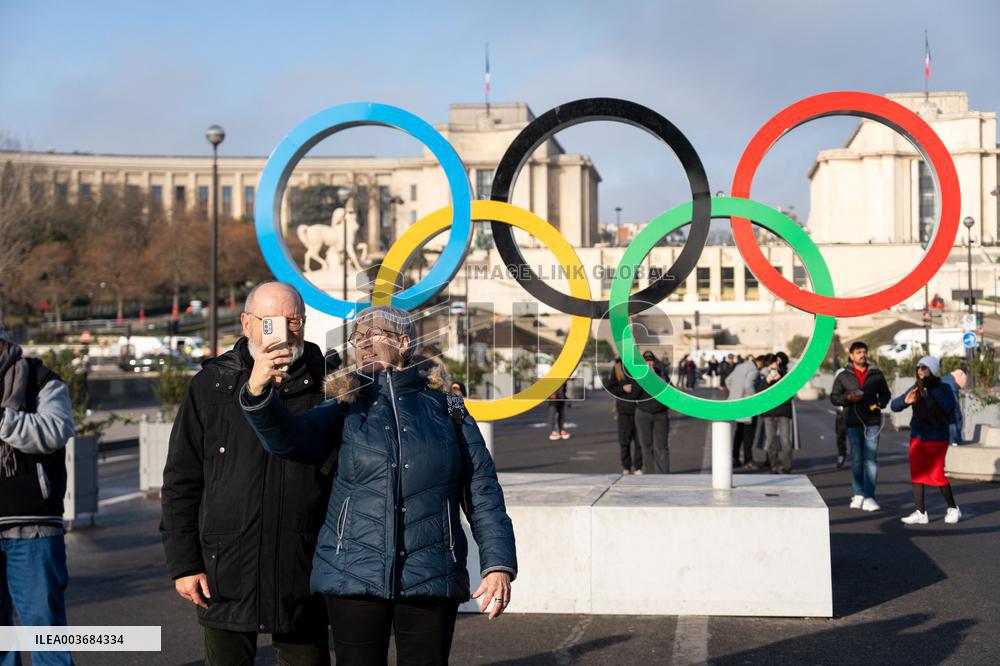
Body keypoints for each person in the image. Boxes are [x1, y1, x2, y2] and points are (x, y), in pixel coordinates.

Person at [240, 304, 517, 665]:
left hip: (432, 571)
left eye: (376, 334)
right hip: (352, 573)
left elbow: (482, 489)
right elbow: (288, 440)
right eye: (358, 337)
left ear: (404, 343)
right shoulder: (343, 405)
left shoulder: (448, 406)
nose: (364, 343)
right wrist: (258, 394)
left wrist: (498, 564)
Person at [160, 282, 333, 666]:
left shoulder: (330, 384)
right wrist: (185, 564)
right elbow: (181, 481)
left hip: (304, 567)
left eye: (292, 321)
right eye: (270, 322)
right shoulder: (212, 386)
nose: (284, 333)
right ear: (246, 324)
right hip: (225, 568)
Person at [0, 322, 76, 666]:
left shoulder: (40, 379)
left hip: (34, 527)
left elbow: (56, 430)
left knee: (45, 631)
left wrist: (2, 419)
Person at [891, 356, 962, 525]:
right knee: (917, 474)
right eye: (918, 367)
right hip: (918, 436)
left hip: (937, 437)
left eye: (924, 368)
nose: (920, 371)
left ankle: (953, 509)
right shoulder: (916, 387)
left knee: (937, 474)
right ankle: (920, 513)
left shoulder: (944, 387)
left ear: (932, 370)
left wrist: (932, 389)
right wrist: (905, 401)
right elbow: (894, 406)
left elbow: (949, 406)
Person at [830, 341, 891, 512]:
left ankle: (869, 496)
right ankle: (858, 493)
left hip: (872, 422)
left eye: (864, 352)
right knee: (857, 459)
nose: (862, 355)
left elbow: (886, 394)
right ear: (851, 355)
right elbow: (834, 397)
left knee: (871, 460)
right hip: (852, 421)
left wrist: (880, 404)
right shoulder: (844, 376)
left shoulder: (876, 374)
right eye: (858, 352)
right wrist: (848, 398)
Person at [726, 354, 765, 470]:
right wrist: (754, 399)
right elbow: (748, 386)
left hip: (737, 404)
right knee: (749, 434)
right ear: (760, 362)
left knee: (739, 432)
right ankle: (748, 461)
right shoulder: (754, 371)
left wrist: (735, 393)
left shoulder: (740, 367)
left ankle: (735, 458)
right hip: (748, 406)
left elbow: (728, 380)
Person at [633, 351, 671, 474]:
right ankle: (649, 474)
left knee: (661, 446)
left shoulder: (661, 373)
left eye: (650, 360)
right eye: (646, 361)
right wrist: (644, 378)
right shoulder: (638, 375)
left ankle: (664, 474)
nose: (649, 363)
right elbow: (633, 395)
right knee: (646, 446)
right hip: (643, 413)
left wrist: (655, 376)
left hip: (660, 413)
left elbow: (670, 390)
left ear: (654, 362)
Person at [604, 358, 643, 475]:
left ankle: (638, 467)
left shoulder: (639, 366)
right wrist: (622, 389)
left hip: (639, 410)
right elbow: (610, 388)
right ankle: (626, 467)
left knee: (639, 441)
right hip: (623, 411)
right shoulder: (618, 367)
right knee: (624, 441)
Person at [761, 353, 794, 473]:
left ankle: (787, 467)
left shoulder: (785, 375)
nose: (772, 367)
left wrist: (780, 380)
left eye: (773, 363)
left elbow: (790, 394)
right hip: (769, 413)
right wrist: (767, 381)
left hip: (783, 412)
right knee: (770, 441)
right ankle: (773, 465)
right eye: (769, 365)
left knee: (785, 441)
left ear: (778, 363)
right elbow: (759, 395)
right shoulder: (764, 376)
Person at [940, 368, 966, 446]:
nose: (959, 389)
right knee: (955, 417)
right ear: (958, 380)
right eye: (959, 387)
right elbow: (955, 407)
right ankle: (954, 440)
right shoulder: (952, 386)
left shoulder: (945, 378)